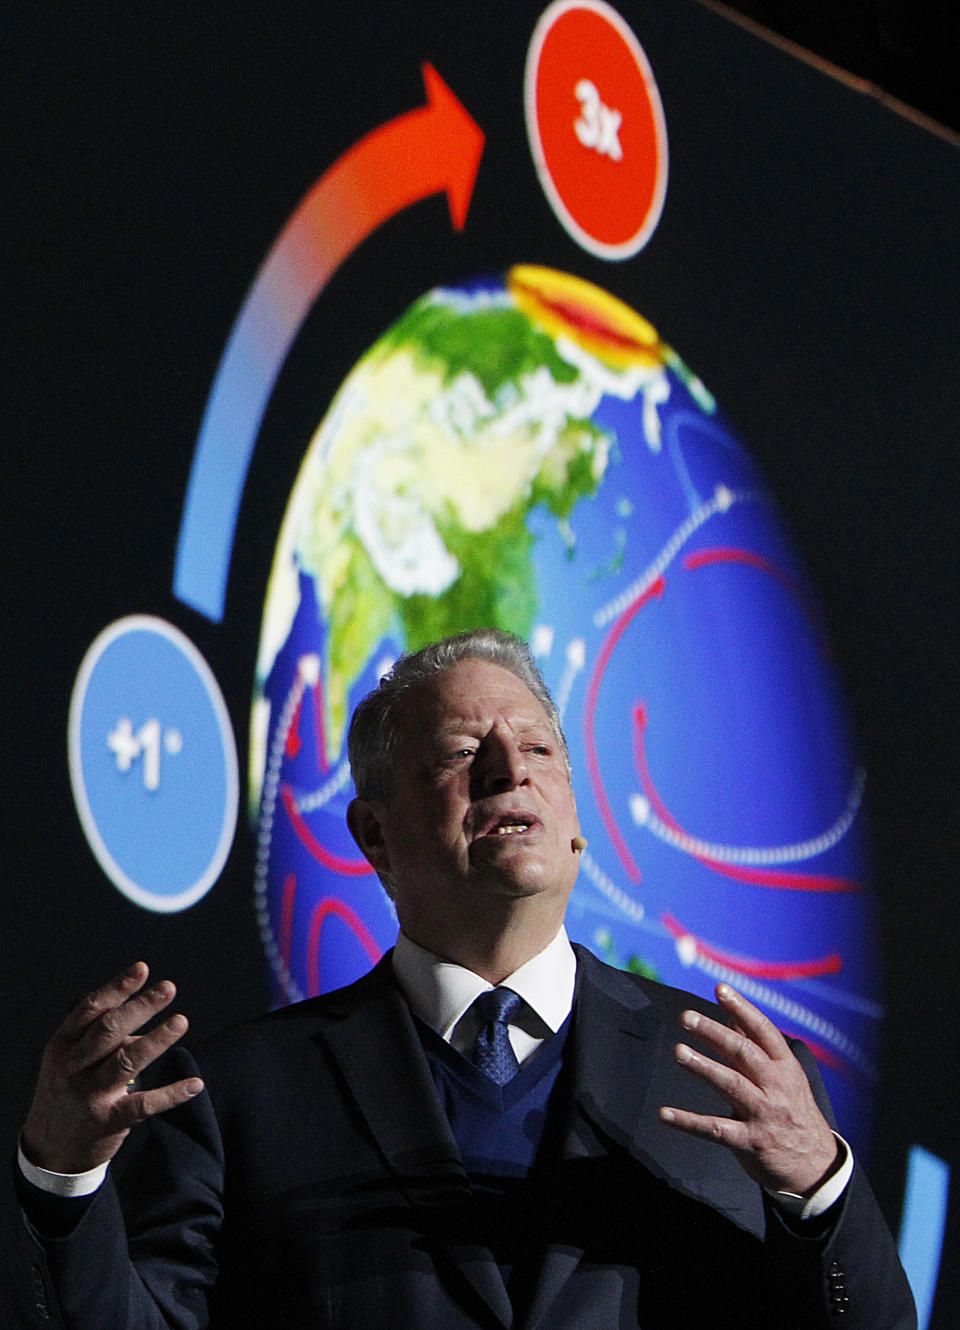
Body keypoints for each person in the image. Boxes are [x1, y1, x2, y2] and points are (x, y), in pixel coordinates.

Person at [3, 629, 915, 1328]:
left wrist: (819, 1189)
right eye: (460, 754)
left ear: (575, 826)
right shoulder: (238, 1097)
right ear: (374, 835)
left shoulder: (740, 1080)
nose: (509, 769)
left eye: (539, 751)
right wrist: (61, 1180)